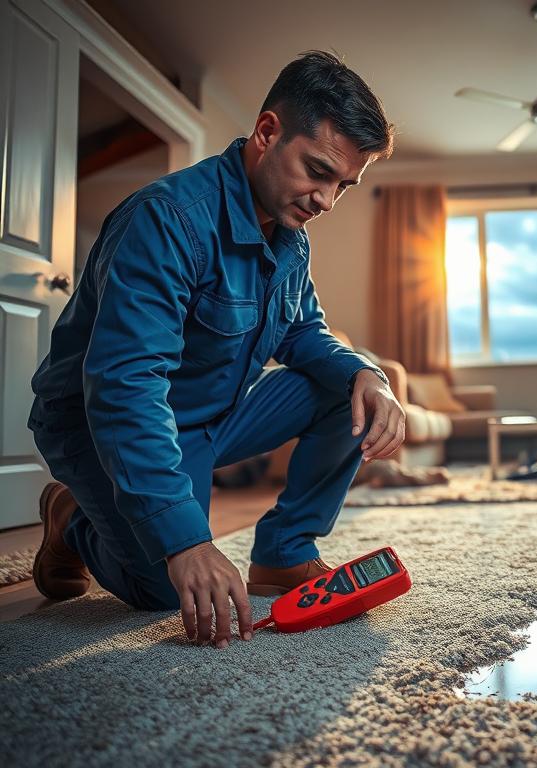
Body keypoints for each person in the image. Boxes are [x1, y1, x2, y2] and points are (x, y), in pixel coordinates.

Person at [28, 51, 405, 649]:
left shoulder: (290, 236)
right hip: (101, 422)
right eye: (317, 171)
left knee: (346, 388)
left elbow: (304, 332)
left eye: (343, 186)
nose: (326, 201)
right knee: (163, 583)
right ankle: (70, 518)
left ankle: (284, 553)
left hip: (209, 417)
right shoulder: (166, 220)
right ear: (266, 132)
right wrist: (185, 542)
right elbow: (126, 384)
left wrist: (369, 373)